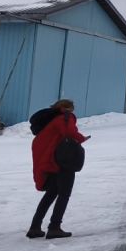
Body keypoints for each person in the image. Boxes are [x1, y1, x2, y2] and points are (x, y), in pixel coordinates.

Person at [29, 98, 88, 238]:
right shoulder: (65, 117)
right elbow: (69, 132)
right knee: (64, 194)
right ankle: (54, 227)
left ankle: (35, 227)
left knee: (51, 194)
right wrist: (82, 138)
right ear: (68, 108)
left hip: (50, 161)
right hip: (62, 161)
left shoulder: (50, 121)